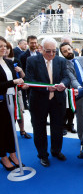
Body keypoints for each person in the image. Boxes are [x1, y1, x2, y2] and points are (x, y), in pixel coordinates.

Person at [26, 37, 70, 167]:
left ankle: (56, 151)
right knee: (39, 129)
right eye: (48, 51)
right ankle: (43, 155)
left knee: (57, 128)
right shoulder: (32, 60)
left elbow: (66, 77)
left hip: (57, 100)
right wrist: (46, 88)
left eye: (54, 51)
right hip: (39, 101)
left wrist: (62, 84)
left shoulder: (61, 61)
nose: (51, 54)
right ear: (41, 49)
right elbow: (30, 80)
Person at [0, 36, 26, 171]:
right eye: (0, 46)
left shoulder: (9, 62)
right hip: (1, 102)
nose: (4, 48)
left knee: (11, 129)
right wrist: (13, 83)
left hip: (12, 99)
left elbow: (20, 79)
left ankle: (12, 154)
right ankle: (3, 156)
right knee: (1, 130)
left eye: (5, 46)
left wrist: (21, 78)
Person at [60, 42, 83, 140]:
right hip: (79, 92)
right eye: (65, 51)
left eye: (69, 49)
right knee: (81, 117)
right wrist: (81, 89)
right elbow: (72, 79)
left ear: (72, 48)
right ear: (62, 54)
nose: (68, 52)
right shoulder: (65, 65)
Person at [5, 41, 31, 139]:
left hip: (17, 91)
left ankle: (22, 130)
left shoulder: (15, 59)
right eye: (2, 47)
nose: (5, 50)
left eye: (7, 48)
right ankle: (9, 132)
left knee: (19, 111)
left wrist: (20, 71)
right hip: (4, 91)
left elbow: (23, 77)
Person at [20, 35, 40, 110]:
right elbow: (23, 69)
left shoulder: (40, 55)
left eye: (35, 43)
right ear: (28, 43)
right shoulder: (23, 56)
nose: (34, 45)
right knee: (32, 104)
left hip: (40, 82)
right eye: (32, 43)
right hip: (29, 83)